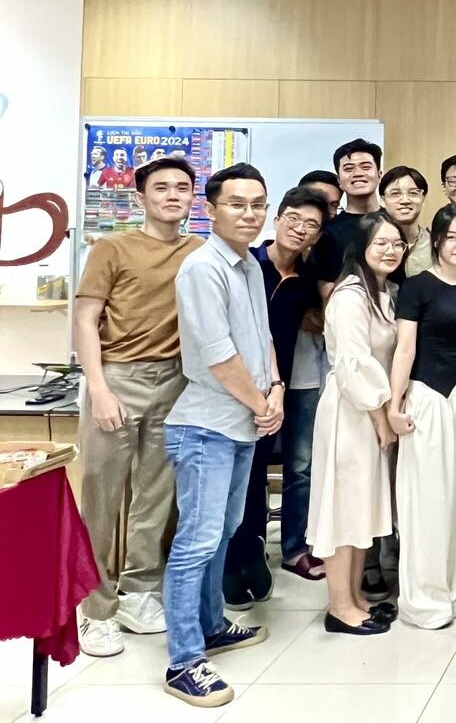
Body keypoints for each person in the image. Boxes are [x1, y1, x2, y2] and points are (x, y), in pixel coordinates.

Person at [74, 156, 204, 658]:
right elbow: (86, 319)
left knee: (156, 496)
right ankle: (95, 609)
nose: (173, 195)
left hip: (174, 380)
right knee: (101, 497)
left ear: (193, 197)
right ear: (141, 197)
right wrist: (99, 388)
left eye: (182, 188)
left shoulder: (198, 251)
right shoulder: (112, 247)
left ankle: (140, 593)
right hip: (117, 377)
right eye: (162, 188)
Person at [162, 163, 279, 708]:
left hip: (243, 424)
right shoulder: (202, 268)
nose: (249, 214)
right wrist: (261, 404)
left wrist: (276, 390)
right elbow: (217, 354)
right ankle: (184, 661)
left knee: (224, 532)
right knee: (196, 542)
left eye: (257, 204)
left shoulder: (249, 264)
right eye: (237, 203)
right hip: (205, 426)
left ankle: (210, 627)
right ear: (210, 209)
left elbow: (261, 338)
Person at [223, 186, 329, 609]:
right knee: (235, 479)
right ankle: (230, 561)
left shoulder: (307, 280)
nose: (300, 229)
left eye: (311, 225)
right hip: (232, 386)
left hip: (275, 388)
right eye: (294, 219)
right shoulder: (248, 264)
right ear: (277, 218)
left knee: (257, 473)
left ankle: (252, 554)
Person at [388, 204, 456, 629]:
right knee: (428, 498)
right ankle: (422, 599)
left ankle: (453, 587)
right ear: (436, 240)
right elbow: (405, 349)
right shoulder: (416, 287)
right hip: (429, 397)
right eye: (453, 237)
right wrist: (394, 405)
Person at [309, 211, 405, 636]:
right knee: (343, 507)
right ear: (361, 248)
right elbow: (353, 364)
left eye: (397, 244)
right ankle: (339, 606)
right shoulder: (350, 295)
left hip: (370, 407)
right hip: (352, 411)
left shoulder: (382, 292)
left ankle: (355, 598)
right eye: (381, 243)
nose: (390, 251)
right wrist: (381, 418)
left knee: (360, 506)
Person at [311, 139, 383, 298]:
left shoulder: (394, 222)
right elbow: (327, 295)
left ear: (379, 174)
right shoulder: (328, 233)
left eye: (366, 167)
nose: (358, 173)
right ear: (339, 181)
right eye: (348, 168)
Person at [379, 166, 431, 279]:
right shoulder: (372, 244)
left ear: (423, 198)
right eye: (395, 193)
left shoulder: (436, 245)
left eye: (413, 193)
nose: (405, 200)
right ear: (382, 200)